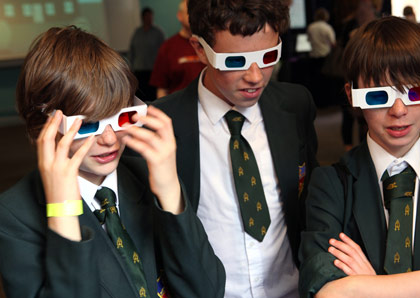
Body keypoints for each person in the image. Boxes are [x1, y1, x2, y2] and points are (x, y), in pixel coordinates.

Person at [0, 26, 225, 298]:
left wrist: (170, 193)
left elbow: (207, 291)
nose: (109, 140)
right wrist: (63, 212)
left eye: (121, 118)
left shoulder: (148, 174)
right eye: (88, 125)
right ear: (42, 128)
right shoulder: (14, 215)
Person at [299, 16, 420, 298]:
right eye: (378, 96)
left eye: (415, 92)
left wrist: (366, 287)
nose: (398, 110)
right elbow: (326, 290)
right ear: (352, 94)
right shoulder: (330, 185)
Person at [152, 0, 319, 296]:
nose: (255, 76)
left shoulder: (296, 104)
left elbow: (310, 199)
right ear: (200, 49)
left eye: (268, 56)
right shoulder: (162, 124)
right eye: (235, 61)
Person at [149, 0, 204, 98]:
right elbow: (161, 88)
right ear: (180, 16)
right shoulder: (168, 47)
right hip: (178, 107)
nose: (194, 17)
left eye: (197, 13)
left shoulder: (210, 44)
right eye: (189, 13)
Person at [128, 7, 165, 101]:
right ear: (143, 17)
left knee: (152, 97)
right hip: (139, 71)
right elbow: (132, 50)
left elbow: (164, 51)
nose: (149, 19)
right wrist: (130, 67)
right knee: (141, 97)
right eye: (147, 16)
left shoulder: (158, 33)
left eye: (151, 17)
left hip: (153, 71)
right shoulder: (137, 32)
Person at [306, 7, 336, 108]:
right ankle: (327, 103)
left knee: (315, 82)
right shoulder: (327, 28)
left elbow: (308, 41)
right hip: (325, 57)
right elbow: (333, 44)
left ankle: (317, 102)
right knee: (326, 82)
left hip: (313, 57)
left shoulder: (311, 27)